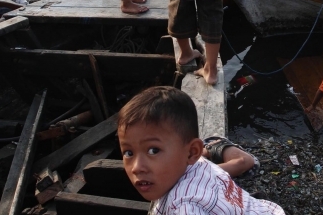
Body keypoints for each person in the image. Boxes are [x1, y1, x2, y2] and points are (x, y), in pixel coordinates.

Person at [118, 86, 285, 214]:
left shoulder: (183, 208)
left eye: (153, 150)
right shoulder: (197, 164)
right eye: (128, 153)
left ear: (192, 152)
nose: (136, 167)